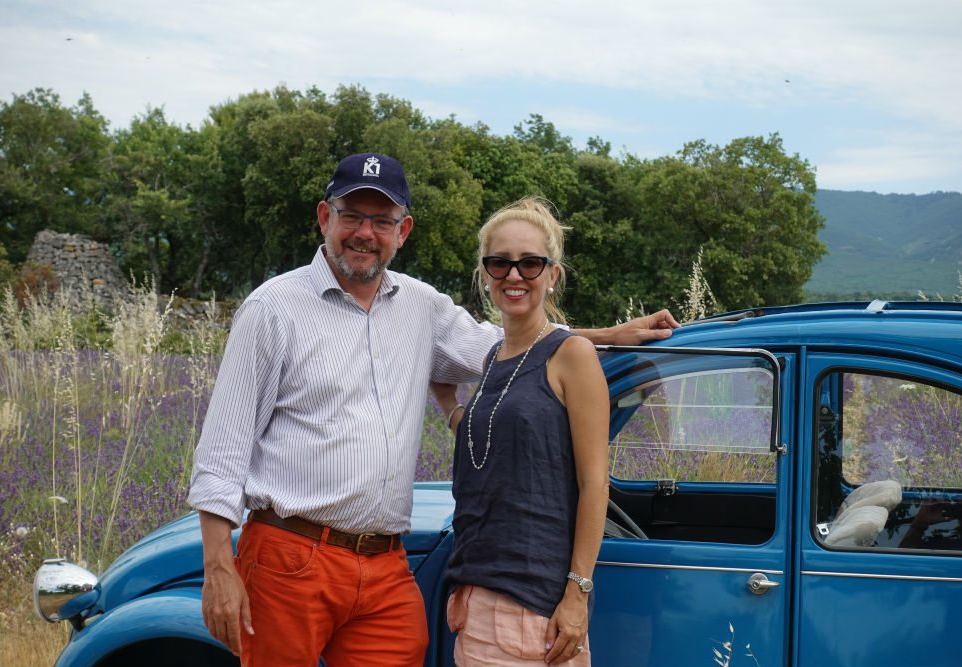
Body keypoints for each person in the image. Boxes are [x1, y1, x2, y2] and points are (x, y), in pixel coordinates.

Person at [187, 152, 679, 667]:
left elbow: (509, 341)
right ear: (324, 217)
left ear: (404, 230)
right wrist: (219, 567)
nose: (365, 232)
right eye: (351, 215)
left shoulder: (420, 305)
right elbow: (222, 450)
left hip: (383, 564)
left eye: (382, 220)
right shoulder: (273, 309)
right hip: (291, 553)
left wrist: (606, 337)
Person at [433, 197, 606, 666]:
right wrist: (448, 401)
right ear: (485, 273)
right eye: (500, 263)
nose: (514, 275)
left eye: (530, 263)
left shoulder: (571, 355)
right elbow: (492, 445)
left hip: (535, 611)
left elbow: (595, 484)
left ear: (552, 273)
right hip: (476, 600)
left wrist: (577, 595)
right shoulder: (493, 361)